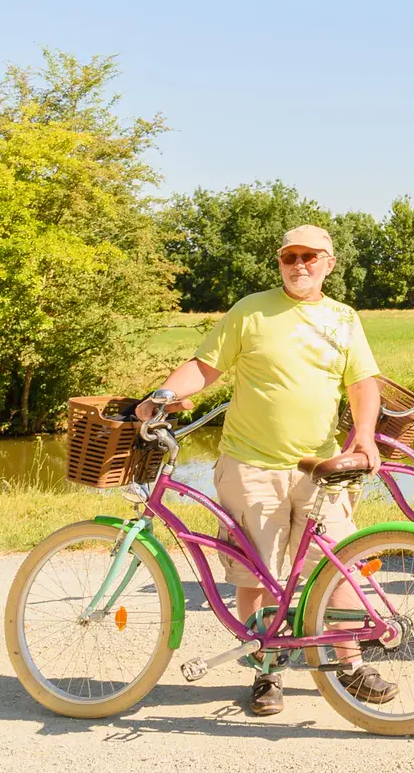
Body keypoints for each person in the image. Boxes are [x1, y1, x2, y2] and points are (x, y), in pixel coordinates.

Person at [139, 225, 396, 716]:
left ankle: (351, 664)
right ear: (279, 262)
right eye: (289, 257)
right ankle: (266, 671)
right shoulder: (250, 310)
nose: (299, 265)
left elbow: (363, 382)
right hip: (250, 465)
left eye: (310, 257)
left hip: (319, 467)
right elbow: (205, 367)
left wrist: (364, 433)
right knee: (256, 576)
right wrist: (161, 397)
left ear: (329, 263)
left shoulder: (344, 319)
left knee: (339, 565)